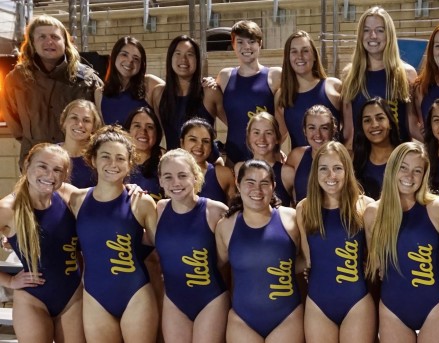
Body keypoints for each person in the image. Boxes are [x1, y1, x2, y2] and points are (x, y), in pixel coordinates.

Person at [69, 125, 158, 342]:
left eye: (120, 158)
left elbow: (163, 250)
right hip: (94, 297)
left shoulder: (141, 202)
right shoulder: (76, 200)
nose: (112, 164)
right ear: (92, 159)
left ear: (129, 164)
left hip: (136, 295)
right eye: (105, 156)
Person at [365, 142, 439, 342]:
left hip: (435, 305)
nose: (409, 176)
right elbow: (376, 263)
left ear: (424, 175)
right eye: (403, 168)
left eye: (417, 170)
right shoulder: (373, 213)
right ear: (392, 168)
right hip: (392, 308)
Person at [0, 144, 84, 342]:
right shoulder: (8, 208)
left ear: (65, 175)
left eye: (57, 170)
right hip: (32, 299)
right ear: (27, 165)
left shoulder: (66, 194)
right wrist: (9, 281)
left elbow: (105, 197)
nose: (50, 175)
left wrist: (130, 190)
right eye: (42, 166)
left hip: (72, 296)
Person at [215, 160, 303, 342]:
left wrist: (279, 270)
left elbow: (307, 259)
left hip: (287, 317)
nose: (257, 189)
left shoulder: (291, 219)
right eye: (250, 183)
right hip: (242, 320)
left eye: (264, 183)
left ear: (273, 187)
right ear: (238, 185)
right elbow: (219, 267)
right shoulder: (226, 226)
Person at [296, 141, 375, 342]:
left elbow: (376, 259)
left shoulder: (366, 206)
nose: (331, 175)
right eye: (324, 169)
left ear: (347, 170)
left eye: (337, 168)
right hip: (318, 304)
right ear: (315, 172)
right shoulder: (304, 209)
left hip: (356, 301)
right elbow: (308, 259)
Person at [1, 14, 103, 167]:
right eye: (42, 37)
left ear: (65, 42)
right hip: (34, 162)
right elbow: (14, 123)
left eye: (55, 37)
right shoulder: (17, 79)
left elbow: (99, 122)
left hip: (77, 163)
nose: (49, 41)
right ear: (32, 43)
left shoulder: (87, 80)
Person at [155, 149, 229, 343]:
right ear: (160, 181)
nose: (175, 183)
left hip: (211, 299)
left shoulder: (215, 211)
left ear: (196, 177)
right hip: (174, 300)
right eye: (168, 177)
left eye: (182, 175)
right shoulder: (159, 209)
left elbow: (233, 254)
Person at [341, 6, 419, 148]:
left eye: (380, 30)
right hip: (363, 162)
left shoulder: (406, 73)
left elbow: (412, 126)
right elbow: (348, 131)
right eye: (366, 30)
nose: (373, 36)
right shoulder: (350, 75)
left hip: (398, 160)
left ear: (389, 34)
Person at [216, 20, 281, 164]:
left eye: (251, 41)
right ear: (233, 44)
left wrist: (275, 146)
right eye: (240, 42)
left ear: (260, 44)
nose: (246, 46)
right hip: (234, 157)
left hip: (266, 158)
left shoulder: (274, 76)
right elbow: (224, 112)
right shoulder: (225, 76)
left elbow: (285, 117)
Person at [151, 35, 227, 151]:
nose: (183, 59)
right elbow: (156, 134)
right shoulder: (159, 93)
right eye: (178, 53)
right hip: (175, 165)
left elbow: (235, 125)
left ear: (197, 60)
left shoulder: (209, 91)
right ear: (170, 58)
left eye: (190, 54)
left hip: (205, 165)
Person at [275, 30, 341, 149]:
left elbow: (350, 132)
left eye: (305, 51)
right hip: (300, 165)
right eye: (294, 52)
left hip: (332, 164)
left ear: (314, 56)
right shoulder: (282, 96)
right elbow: (278, 138)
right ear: (288, 58)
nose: (300, 56)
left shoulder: (333, 87)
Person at [95, 36, 164, 126]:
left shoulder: (149, 83)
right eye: (124, 54)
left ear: (141, 65)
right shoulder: (99, 93)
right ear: (114, 56)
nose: (130, 61)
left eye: (136, 59)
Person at [235, 112, 292, 206]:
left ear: (277, 138)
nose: (262, 139)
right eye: (256, 133)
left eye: (268, 133)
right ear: (249, 137)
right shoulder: (239, 168)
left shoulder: (287, 173)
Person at [284, 105, 338, 203]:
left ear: (333, 130)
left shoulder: (344, 157)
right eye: (312, 128)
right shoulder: (296, 156)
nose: (318, 134)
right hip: (303, 216)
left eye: (324, 128)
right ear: (305, 130)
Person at [352, 97, 399, 200]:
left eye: (380, 118)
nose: (374, 125)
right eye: (367, 120)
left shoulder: (404, 157)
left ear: (390, 123)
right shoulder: (355, 161)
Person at [180, 118, 235, 205]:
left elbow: (234, 212)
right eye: (193, 139)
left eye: (205, 141)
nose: (199, 145)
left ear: (211, 147)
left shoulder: (223, 175)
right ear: (182, 143)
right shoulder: (168, 174)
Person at [59, 99, 103, 188]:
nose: (79, 124)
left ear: (93, 127)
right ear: (64, 122)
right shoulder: (49, 153)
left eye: (86, 120)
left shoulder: (98, 158)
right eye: (74, 118)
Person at [124, 107, 164, 201]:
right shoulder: (117, 165)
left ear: (157, 134)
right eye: (137, 126)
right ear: (128, 131)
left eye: (150, 127)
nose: (143, 131)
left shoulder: (165, 167)